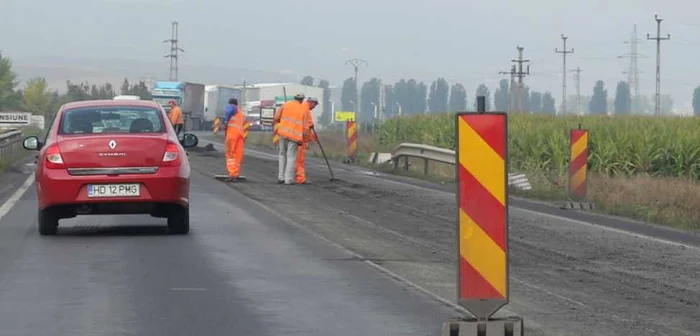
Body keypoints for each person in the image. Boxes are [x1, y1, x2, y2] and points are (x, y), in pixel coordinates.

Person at [274, 93, 308, 185]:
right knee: (291, 157)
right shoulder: (303, 110)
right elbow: (305, 128)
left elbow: (276, 117)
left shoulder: (286, 105)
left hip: (283, 134)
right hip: (295, 137)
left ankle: (280, 178)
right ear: (301, 100)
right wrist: (305, 139)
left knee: (282, 155)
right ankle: (288, 179)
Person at [295, 97, 318, 184]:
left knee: (293, 159)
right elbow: (307, 127)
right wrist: (310, 139)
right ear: (311, 102)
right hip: (301, 138)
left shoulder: (302, 107)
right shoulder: (306, 110)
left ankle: (288, 177)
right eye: (315, 105)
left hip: (295, 136)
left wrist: (313, 137)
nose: (314, 107)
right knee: (300, 160)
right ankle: (300, 178)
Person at [224, 98, 245, 181]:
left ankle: (232, 173)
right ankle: (236, 173)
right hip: (240, 135)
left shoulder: (232, 107)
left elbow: (230, 109)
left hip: (232, 135)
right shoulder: (240, 113)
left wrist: (226, 121)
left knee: (230, 154)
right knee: (237, 155)